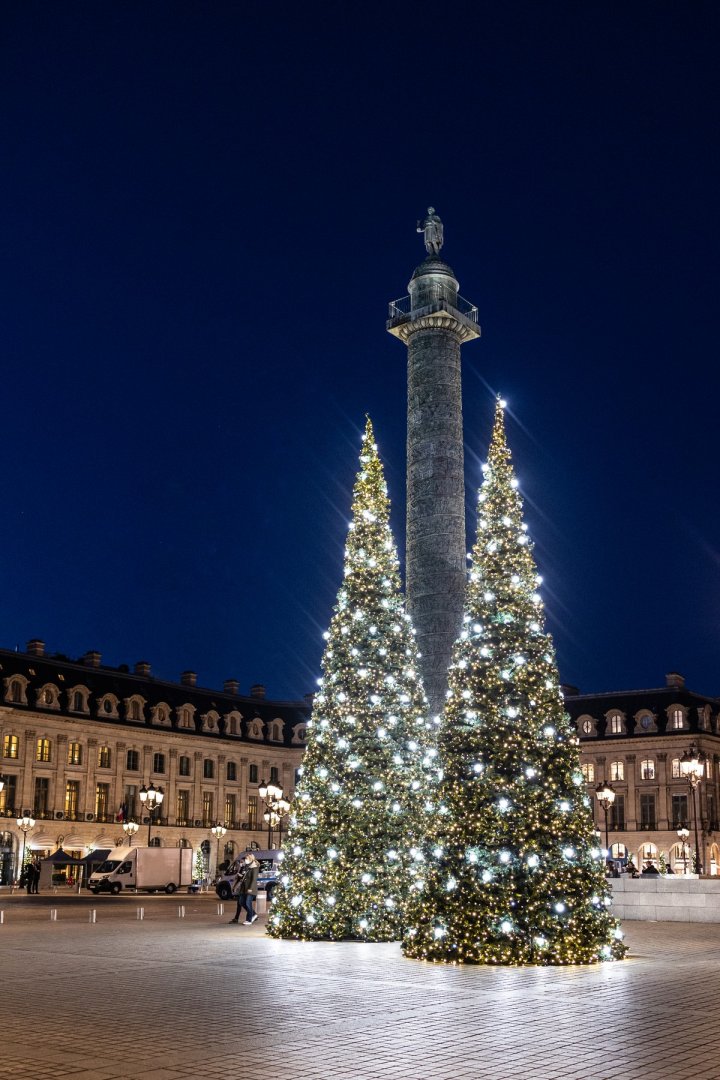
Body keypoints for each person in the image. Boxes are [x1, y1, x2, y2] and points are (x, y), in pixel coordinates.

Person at [228, 859, 248, 924]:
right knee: (240, 903)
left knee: (242, 903)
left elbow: (243, 878)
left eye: (242, 862)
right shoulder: (242, 868)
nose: (240, 863)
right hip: (240, 888)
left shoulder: (245, 868)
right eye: (240, 862)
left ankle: (253, 914)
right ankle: (236, 918)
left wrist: (239, 875)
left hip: (243, 888)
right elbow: (238, 879)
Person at [242, 854, 259, 925]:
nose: (245, 860)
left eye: (247, 858)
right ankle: (254, 914)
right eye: (245, 858)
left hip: (251, 889)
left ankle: (249, 920)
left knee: (247, 903)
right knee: (242, 902)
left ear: (251, 859)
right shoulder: (247, 867)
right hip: (245, 888)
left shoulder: (254, 867)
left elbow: (254, 879)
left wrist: (251, 888)